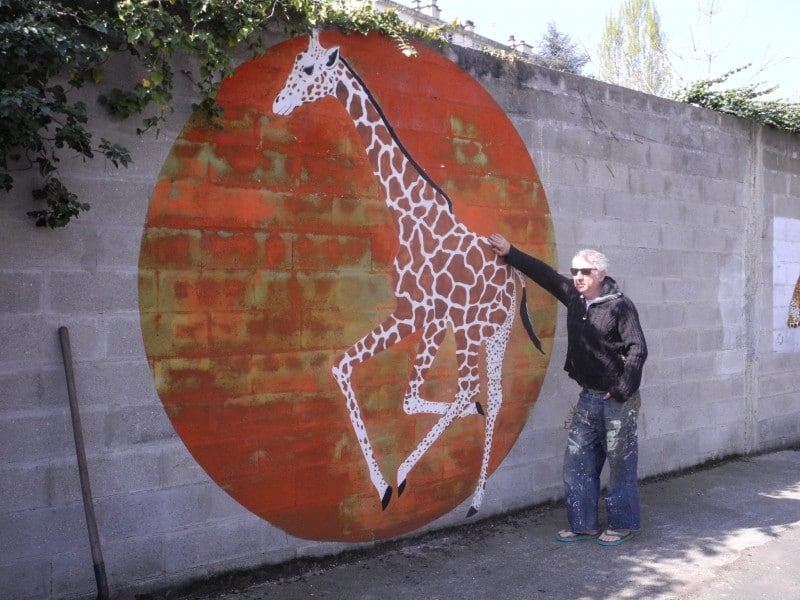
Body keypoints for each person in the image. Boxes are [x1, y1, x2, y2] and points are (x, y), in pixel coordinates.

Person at [487, 234, 648, 546]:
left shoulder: (619, 307)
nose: (578, 277)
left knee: (620, 464)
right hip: (588, 397)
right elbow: (546, 276)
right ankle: (583, 524)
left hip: (617, 401)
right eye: (575, 271)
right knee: (577, 462)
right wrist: (511, 252)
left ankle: (624, 524)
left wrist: (620, 389)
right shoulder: (576, 300)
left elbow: (637, 350)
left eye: (585, 272)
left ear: (600, 275)